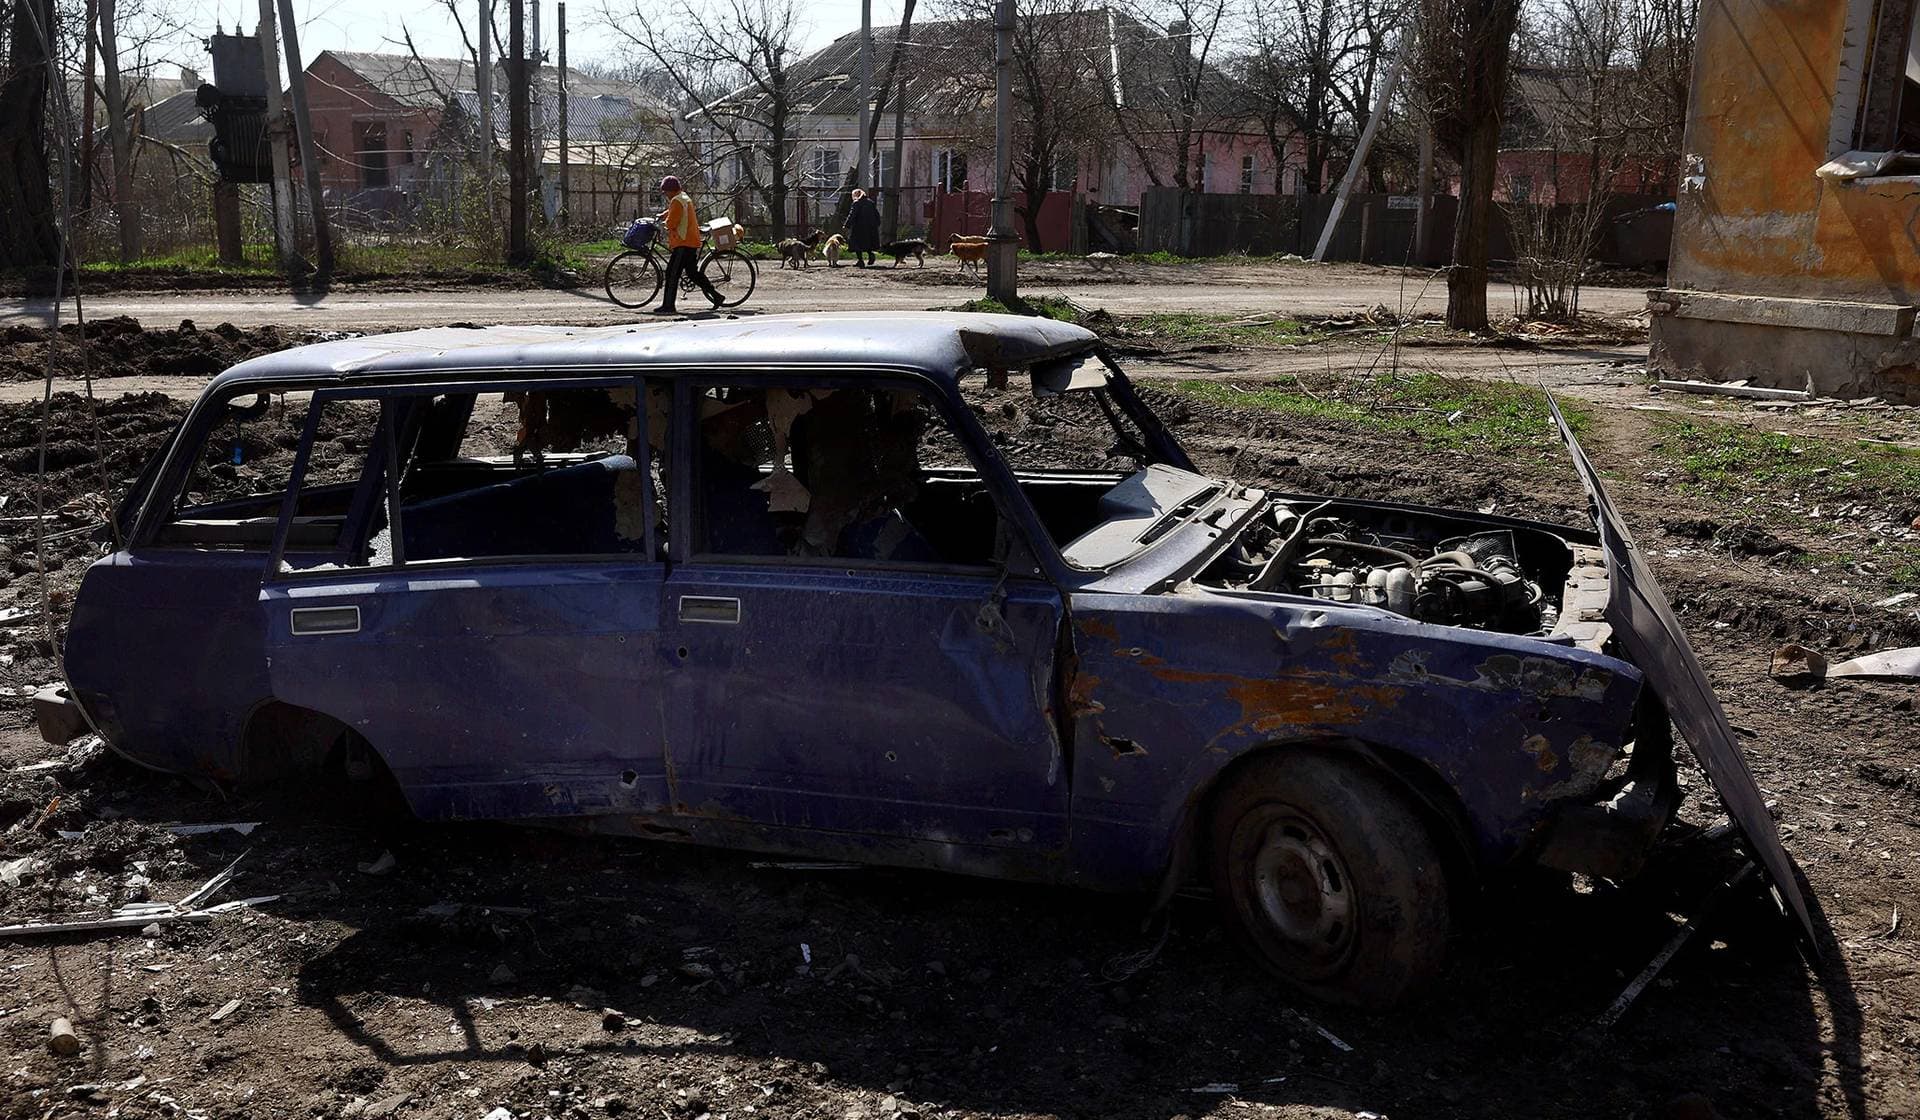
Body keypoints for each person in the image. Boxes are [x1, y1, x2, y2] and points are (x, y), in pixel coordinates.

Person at [655, 175, 723, 314]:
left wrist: (664, 223)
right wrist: (665, 213)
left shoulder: (676, 201)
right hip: (691, 241)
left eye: (666, 191)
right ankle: (717, 297)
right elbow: (677, 211)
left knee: (672, 273)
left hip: (683, 243)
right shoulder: (683, 197)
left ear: (671, 190)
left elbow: (672, 223)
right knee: (692, 274)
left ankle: (668, 306)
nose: (665, 194)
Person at [844, 188, 881, 268]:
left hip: (858, 227)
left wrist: (847, 225)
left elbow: (852, 215)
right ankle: (870, 254)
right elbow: (876, 214)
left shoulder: (856, 203)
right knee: (868, 243)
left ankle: (860, 261)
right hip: (871, 227)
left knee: (857, 244)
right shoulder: (870, 203)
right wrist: (877, 223)